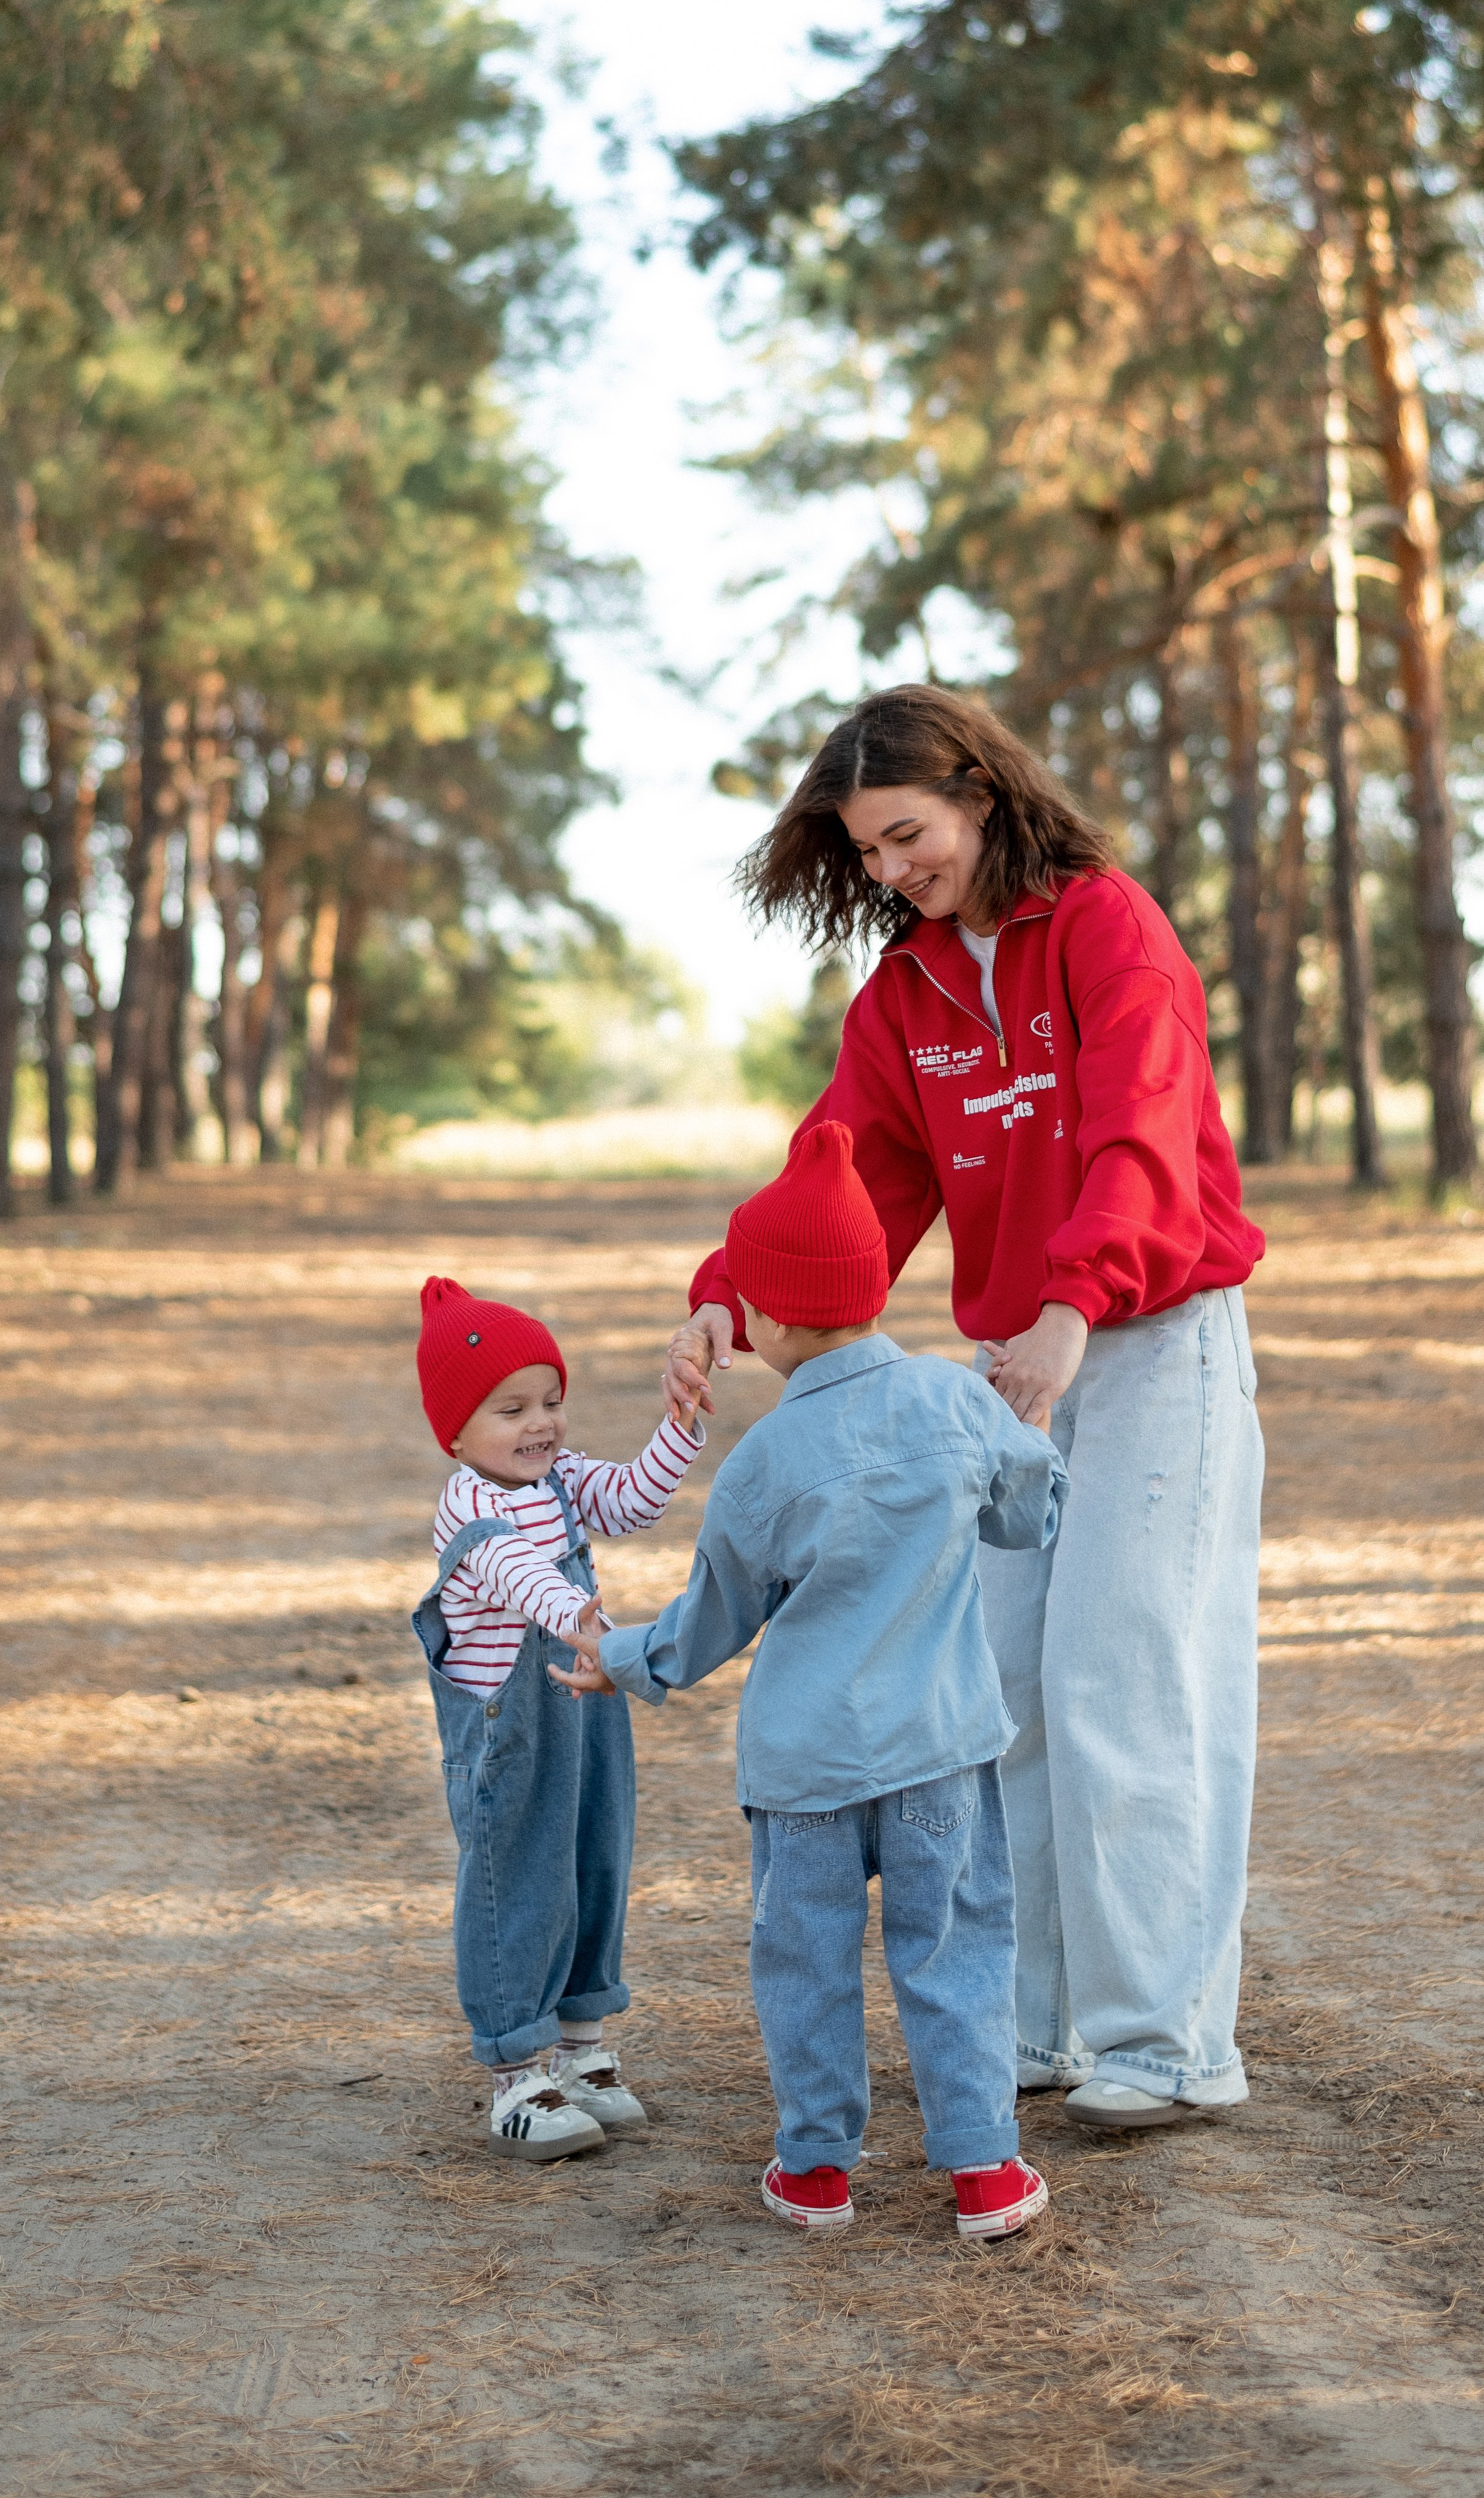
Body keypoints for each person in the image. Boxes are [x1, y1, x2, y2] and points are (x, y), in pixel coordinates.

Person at [664, 684, 1266, 2131]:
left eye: (904, 835)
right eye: (865, 853)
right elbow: (847, 1170)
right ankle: (1041, 2020)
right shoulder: (909, 992)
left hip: (1146, 1339)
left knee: (1126, 1679)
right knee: (996, 1699)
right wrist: (725, 1294)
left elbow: (1145, 1136)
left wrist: (1069, 1306)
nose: (887, 871)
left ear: (982, 794)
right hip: (1010, 1365)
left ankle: (1165, 2040)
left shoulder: (1109, 925)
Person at [553, 1122, 1068, 2240]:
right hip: (941, 1745)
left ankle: (817, 2171)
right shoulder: (951, 1402)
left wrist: (623, 1658)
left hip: (807, 1769)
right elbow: (1030, 1517)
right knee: (959, 1952)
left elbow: (710, 1627)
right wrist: (1019, 1430)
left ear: (774, 1320)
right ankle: (983, 2172)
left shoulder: (762, 1467)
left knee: (807, 1966)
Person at [411, 1279, 703, 2163]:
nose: (541, 1423)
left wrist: (679, 1429)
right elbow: (521, 1579)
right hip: (511, 1732)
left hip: (582, 1710)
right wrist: (593, 1630)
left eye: (550, 1401)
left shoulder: (561, 1478)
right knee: (519, 1884)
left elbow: (633, 1501)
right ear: (457, 1433)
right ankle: (517, 2073)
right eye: (512, 1409)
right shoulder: (471, 1505)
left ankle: (583, 2048)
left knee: (593, 1864)